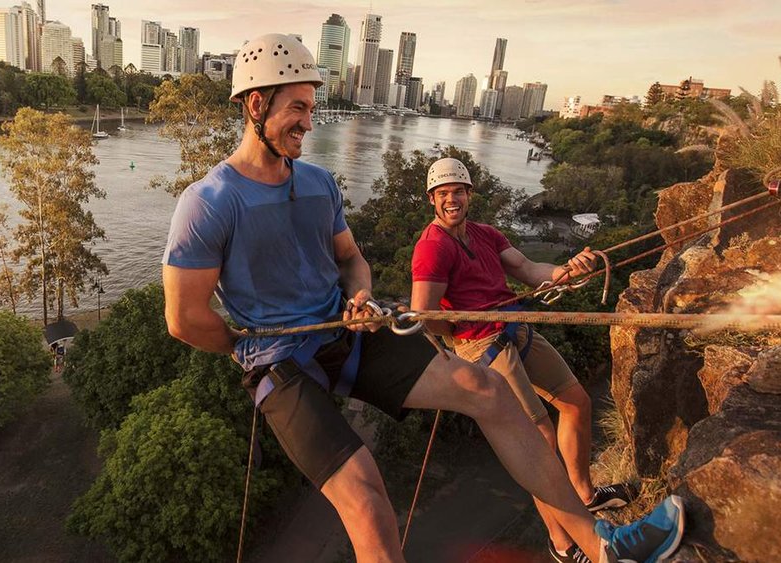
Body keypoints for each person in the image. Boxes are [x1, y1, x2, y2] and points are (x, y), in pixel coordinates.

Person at [162, 32, 684, 563]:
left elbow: (351, 258)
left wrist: (359, 294)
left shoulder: (318, 183)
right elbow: (183, 318)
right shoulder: (209, 202)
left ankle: (601, 546)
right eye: (297, 107)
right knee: (366, 503)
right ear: (257, 104)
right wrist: (244, 347)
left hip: (345, 333)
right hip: (278, 363)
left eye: (311, 107)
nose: (309, 122)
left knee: (488, 391)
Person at [411, 157, 634, 562]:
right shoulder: (432, 248)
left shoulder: (485, 235)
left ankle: (584, 493)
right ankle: (563, 543)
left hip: (514, 328)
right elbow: (425, 315)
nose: (451, 200)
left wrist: (569, 271)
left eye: (457, 192)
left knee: (576, 402)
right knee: (538, 443)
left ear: (469, 194)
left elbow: (531, 270)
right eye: (442, 194)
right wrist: (461, 335)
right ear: (432, 201)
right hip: (483, 346)